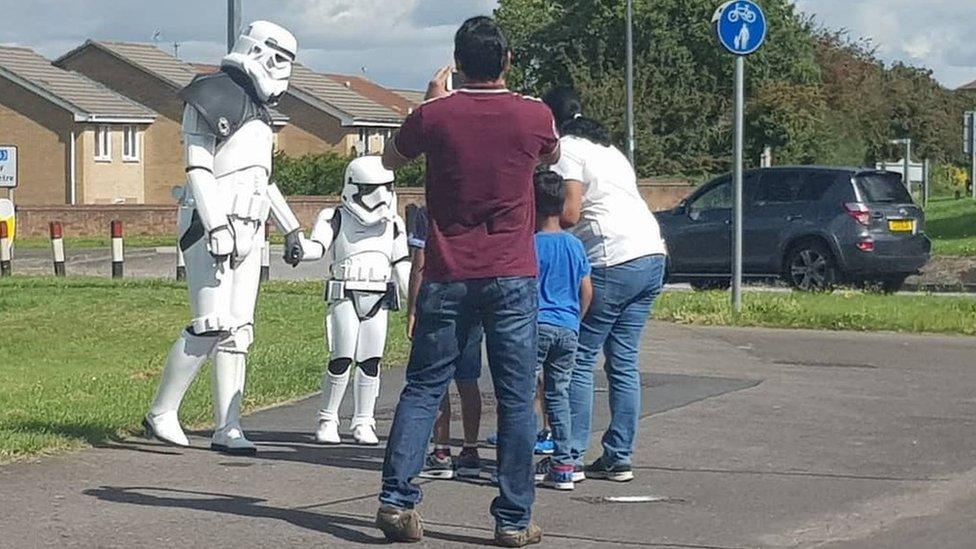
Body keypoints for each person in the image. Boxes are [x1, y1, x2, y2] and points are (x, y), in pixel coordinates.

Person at [375, 16, 559, 547]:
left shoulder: (435, 116)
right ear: (506, 62)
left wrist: (430, 103)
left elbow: (390, 158)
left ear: (455, 64)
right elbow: (553, 156)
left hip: (448, 268)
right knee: (516, 394)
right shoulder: (533, 115)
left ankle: (396, 498)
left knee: (424, 386)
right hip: (511, 272)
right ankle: (513, 518)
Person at [143, 21, 306, 456]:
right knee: (211, 322)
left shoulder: (258, 110)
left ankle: (227, 425)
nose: (282, 70)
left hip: (251, 227)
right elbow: (197, 167)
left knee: (239, 331)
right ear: (259, 51)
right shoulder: (209, 93)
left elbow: (262, 179)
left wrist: (290, 226)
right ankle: (162, 411)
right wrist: (215, 225)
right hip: (212, 223)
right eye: (279, 59)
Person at [544, 87, 668, 482]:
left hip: (612, 258)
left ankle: (572, 456)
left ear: (552, 121)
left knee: (580, 358)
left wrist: (540, 223)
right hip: (652, 253)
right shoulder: (610, 149)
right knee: (624, 361)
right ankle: (619, 455)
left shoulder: (567, 150)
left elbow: (570, 211)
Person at [289, 156, 410, 446]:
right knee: (341, 357)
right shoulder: (335, 217)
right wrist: (299, 248)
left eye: (386, 188)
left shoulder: (393, 223)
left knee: (370, 361)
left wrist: (416, 299)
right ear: (353, 187)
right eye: (371, 189)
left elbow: (402, 263)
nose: (380, 197)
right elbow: (317, 247)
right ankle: (328, 417)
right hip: (345, 293)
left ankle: (363, 420)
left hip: (379, 295)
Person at [407, 205, 485, 480]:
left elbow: (419, 264)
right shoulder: (479, 210)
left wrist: (413, 310)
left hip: (439, 297)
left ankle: (441, 449)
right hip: (474, 298)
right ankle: (471, 447)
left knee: (436, 378)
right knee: (468, 379)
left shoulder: (428, 213)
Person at [530, 171, 592, 491]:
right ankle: (564, 463)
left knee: (525, 393)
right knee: (559, 394)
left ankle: (517, 457)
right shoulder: (574, 244)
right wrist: (575, 319)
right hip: (568, 327)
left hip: (536, 325)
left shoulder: (530, 245)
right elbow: (587, 289)